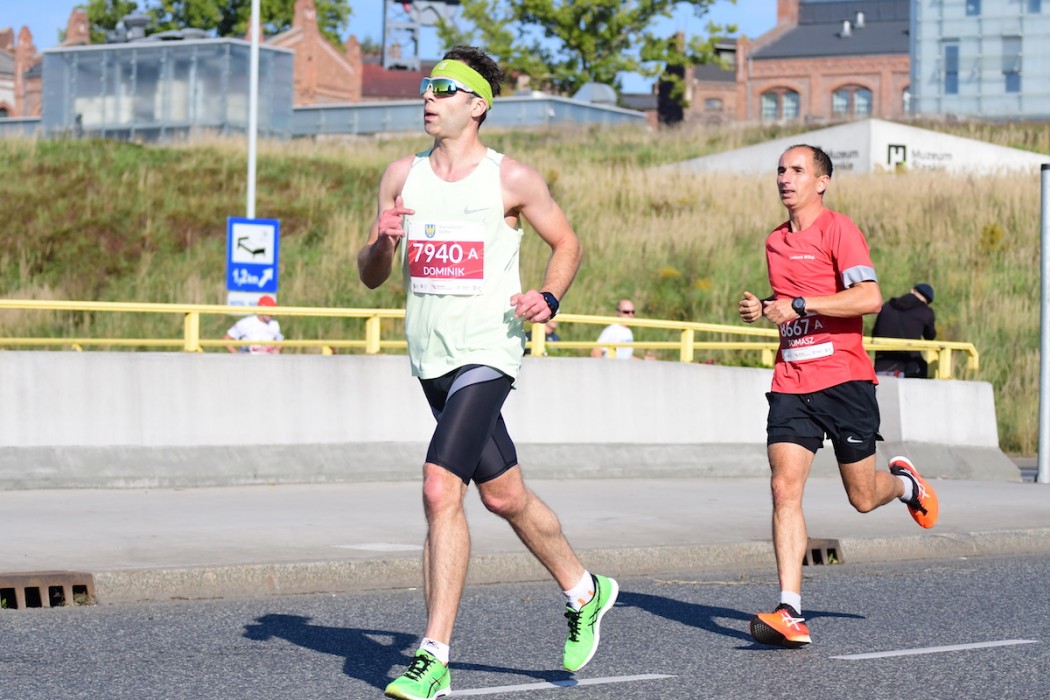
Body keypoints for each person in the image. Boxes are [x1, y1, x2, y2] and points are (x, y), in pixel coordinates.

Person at [356, 46, 617, 700]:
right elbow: (371, 275)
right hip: (430, 357)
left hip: (488, 351)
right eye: (426, 86)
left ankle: (434, 657)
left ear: (477, 105)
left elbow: (567, 242)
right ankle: (585, 590)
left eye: (444, 88)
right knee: (503, 496)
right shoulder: (401, 175)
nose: (428, 96)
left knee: (440, 488)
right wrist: (382, 241)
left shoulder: (512, 179)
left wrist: (549, 295)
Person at [737, 145, 939, 649]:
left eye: (797, 171)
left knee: (862, 498)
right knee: (783, 488)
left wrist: (800, 303)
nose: (785, 178)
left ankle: (905, 485)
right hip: (791, 380)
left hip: (844, 381)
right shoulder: (774, 241)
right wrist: (767, 307)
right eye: (780, 170)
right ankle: (790, 610)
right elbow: (792, 304)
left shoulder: (839, 231)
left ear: (822, 182)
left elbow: (869, 298)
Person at [872, 283, 936, 378]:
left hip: (882, 366)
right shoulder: (926, 311)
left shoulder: (887, 306)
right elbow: (930, 336)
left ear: (912, 290)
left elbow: (875, 333)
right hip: (910, 369)